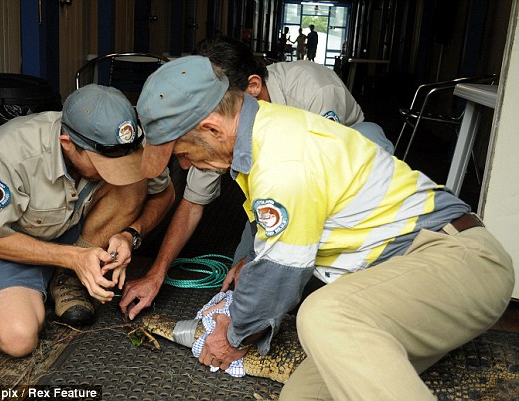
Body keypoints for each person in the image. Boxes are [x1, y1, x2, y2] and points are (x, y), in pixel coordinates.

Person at [136, 56, 514, 400]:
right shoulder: (267, 135)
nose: (184, 166)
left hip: (458, 262)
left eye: (181, 154)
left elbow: (279, 275)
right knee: (303, 396)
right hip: (405, 276)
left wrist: (233, 336)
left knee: (323, 314)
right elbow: (272, 253)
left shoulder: (283, 161)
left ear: (212, 128)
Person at [119, 36, 393, 322]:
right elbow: (192, 203)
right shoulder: (215, 128)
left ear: (252, 87)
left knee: (281, 274)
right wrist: (155, 274)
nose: (185, 164)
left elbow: (312, 194)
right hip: (280, 186)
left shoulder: (314, 91)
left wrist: (265, 273)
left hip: (341, 174)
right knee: (242, 276)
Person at [0, 84, 175, 357]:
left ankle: (68, 278)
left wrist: (130, 235)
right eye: (104, 166)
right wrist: (71, 257)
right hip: (16, 248)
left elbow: (164, 193)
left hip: (83, 236)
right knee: (18, 339)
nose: (115, 173)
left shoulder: (126, 141)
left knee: (134, 184)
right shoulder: (7, 151)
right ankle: (67, 271)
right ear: (68, 144)